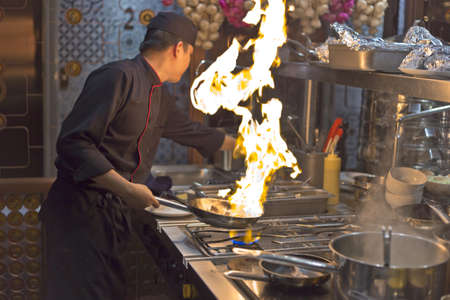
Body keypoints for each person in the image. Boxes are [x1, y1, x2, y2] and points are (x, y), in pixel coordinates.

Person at [39, 12, 235, 300]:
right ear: (178, 48)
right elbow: (74, 145)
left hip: (110, 218)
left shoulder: (159, 93)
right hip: (79, 217)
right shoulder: (118, 77)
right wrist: (129, 189)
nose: (189, 62)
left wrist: (245, 144)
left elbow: (190, 132)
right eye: (190, 53)